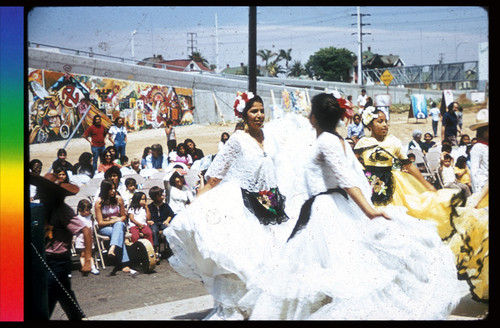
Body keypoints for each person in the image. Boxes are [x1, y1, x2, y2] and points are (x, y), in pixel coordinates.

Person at [240, 93, 460, 320]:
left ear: (314, 117)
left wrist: (369, 210)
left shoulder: (327, 141)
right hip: (327, 207)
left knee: (336, 271)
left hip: (327, 210)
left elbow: (346, 178)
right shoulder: (335, 140)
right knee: (328, 269)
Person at [164, 93, 293, 320]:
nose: (260, 115)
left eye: (262, 110)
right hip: (242, 206)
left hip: (271, 205)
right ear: (244, 114)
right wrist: (195, 203)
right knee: (243, 261)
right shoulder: (237, 140)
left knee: (274, 258)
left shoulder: (270, 137)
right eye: (254, 111)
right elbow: (214, 177)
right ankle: (237, 310)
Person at [354, 106, 465, 240]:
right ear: (370, 125)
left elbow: (408, 165)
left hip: (392, 186)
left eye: (386, 121)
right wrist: (362, 173)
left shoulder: (393, 141)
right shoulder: (363, 142)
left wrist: (427, 185)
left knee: (395, 220)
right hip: (369, 183)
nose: (384, 125)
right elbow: (352, 162)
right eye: (380, 121)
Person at [29, 172, 92, 320]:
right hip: (44, 260)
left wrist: (87, 260)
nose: (40, 193)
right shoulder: (40, 209)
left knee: (47, 296)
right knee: (64, 295)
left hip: (58, 262)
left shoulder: (62, 210)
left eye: (43, 190)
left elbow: (85, 229)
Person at [95, 180, 137, 275]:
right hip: (105, 228)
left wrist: (116, 220)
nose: (113, 191)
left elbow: (123, 217)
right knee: (118, 233)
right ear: (105, 190)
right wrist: (114, 220)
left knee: (119, 225)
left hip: (118, 225)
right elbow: (100, 222)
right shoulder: (99, 202)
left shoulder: (119, 199)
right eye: (111, 189)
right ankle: (125, 263)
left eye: (114, 188)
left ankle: (112, 248)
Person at [148, 186, 175, 260]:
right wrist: (148, 221)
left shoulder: (165, 206)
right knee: (154, 231)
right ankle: (156, 250)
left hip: (163, 222)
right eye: (160, 195)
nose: (162, 196)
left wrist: (167, 220)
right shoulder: (150, 207)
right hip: (154, 223)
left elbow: (170, 214)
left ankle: (169, 248)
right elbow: (146, 216)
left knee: (168, 229)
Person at [74, 199, 100, 275]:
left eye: (89, 210)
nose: (88, 212)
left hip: (89, 238)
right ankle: (84, 266)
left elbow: (93, 224)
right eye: (86, 210)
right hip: (80, 238)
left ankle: (93, 267)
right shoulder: (78, 218)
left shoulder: (90, 217)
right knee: (82, 254)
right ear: (80, 210)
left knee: (90, 254)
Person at [469, 109, 488, 194]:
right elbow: (474, 172)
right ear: (483, 131)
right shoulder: (477, 147)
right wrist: (477, 194)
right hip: (482, 186)